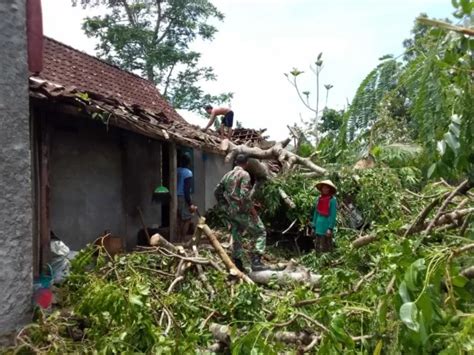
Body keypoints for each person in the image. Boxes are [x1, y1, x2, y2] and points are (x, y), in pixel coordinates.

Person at [215, 153, 267, 272]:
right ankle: (256, 261)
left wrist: (225, 206)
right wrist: (253, 211)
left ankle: (238, 264)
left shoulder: (226, 176)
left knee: (237, 235)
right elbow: (244, 196)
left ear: (235, 163)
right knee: (261, 232)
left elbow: (217, 192)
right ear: (246, 163)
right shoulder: (245, 174)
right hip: (243, 211)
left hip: (232, 212)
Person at [310, 180, 337, 253]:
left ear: (329, 189)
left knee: (326, 246)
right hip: (318, 225)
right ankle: (318, 260)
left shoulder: (332, 200)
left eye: (326, 188)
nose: (325, 189)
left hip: (326, 225)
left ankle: (326, 262)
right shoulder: (319, 199)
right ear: (321, 189)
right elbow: (316, 213)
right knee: (318, 244)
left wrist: (330, 228)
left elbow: (333, 215)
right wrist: (313, 226)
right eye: (323, 188)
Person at [177, 153, 197, 241]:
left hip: (176, 196)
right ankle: (182, 239)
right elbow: (186, 189)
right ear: (189, 163)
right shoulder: (188, 173)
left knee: (181, 218)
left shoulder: (176, 170)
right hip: (183, 196)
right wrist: (190, 203)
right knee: (187, 218)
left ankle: (178, 238)